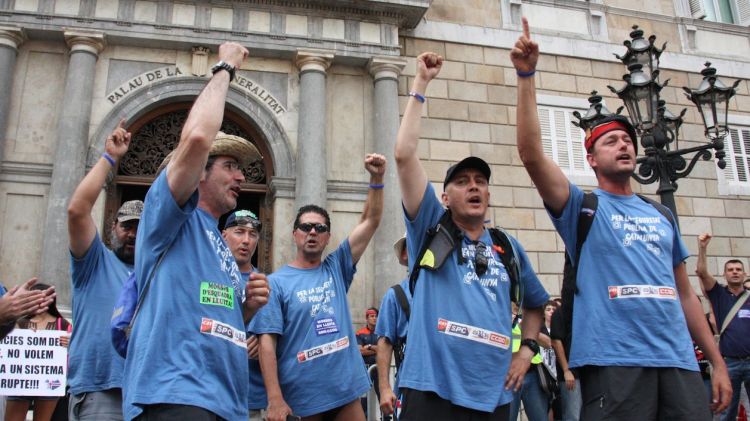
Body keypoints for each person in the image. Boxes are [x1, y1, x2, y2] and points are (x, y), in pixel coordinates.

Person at [513, 17, 731, 420]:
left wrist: (716, 361)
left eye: (628, 140)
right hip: (615, 364)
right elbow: (530, 154)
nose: (624, 144)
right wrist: (527, 76)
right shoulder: (583, 207)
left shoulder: (660, 213)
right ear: (592, 159)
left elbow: (685, 294)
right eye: (611, 141)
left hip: (679, 362)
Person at [393, 50, 549, 421]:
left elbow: (535, 305)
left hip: (493, 396)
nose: (474, 187)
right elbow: (403, 154)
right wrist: (421, 82)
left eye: (480, 182)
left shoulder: (507, 247)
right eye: (462, 182)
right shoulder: (431, 226)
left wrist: (526, 351)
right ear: (445, 197)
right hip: (432, 390)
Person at [121, 41, 270, 421]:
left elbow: (215, 317)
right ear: (200, 171)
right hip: (176, 397)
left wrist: (247, 310)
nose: (241, 177)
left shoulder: (216, 239)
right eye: (230, 165)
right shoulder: (170, 216)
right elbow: (198, 139)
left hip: (226, 402)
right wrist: (225, 68)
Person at [253, 154, 386, 421]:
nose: (312, 232)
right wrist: (275, 398)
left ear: (327, 238)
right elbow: (267, 343)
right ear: (295, 234)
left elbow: (369, 221)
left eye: (319, 228)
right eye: (305, 227)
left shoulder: (336, 268)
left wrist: (376, 179)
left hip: (345, 392)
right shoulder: (276, 283)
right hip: (302, 398)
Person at [66, 119, 142, 421]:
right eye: (127, 226)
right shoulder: (93, 261)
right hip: (100, 390)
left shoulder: (154, 272)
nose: (133, 234)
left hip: (145, 390)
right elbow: (77, 210)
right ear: (114, 227)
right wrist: (109, 158)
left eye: (140, 228)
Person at [697, 233, 750, 421]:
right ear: (724, 274)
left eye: (738, 269)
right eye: (730, 269)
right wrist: (702, 247)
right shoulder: (719, 295)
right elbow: (702, 273)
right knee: (725, 411)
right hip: (729, 363)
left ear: (745, 274)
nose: (735, 272)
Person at [221, 209, 267, 421]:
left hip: (252, 398)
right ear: (224, 235)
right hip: (210, 394)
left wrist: (266, 344)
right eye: (240, 232)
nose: (246, 240)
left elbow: (285, 335)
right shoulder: (207, 276)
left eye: (253, 234)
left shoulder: (266, 284)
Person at [5, 283, 71, 421]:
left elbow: (74, 353)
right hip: (20, 380)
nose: (39, 304)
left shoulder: (63, 325)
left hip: (49, 382)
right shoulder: (20, 323)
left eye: (43, 299)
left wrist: (69, 344)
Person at [375, 235, 411, 420]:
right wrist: (384, 389)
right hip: (410, 389)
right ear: (405, 253)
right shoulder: (396, 295)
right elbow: (385, 342)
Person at [550, 303, 580, 421]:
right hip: (571, 373)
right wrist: (566, 370)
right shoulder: (559, 313)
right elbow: (556, 342)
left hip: (589, 372)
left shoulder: (587, 309)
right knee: (573, 415)